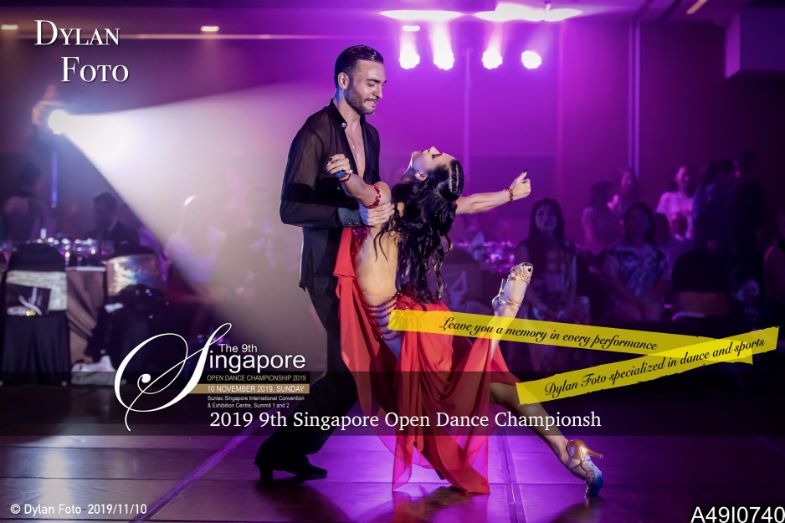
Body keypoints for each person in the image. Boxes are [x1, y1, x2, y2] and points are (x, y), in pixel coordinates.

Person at [329, 146, 603, 497]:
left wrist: (344, 174)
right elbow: (469, 204)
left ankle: (502, 316)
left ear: (422, 175)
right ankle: (567, 452)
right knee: (494, 385)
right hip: (414, 317)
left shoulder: (385, 195)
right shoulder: (415, 206)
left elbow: (363, 191)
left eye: (436, 156)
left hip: (402, 325)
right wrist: (508, 194)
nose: (432, 149)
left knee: (461, 388)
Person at [254, 45, 394, 481]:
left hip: (361, 271)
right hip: (326, 272)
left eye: (382, 84)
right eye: (371, 83)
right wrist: (350, 216)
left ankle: (284, 451)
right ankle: (280, 450)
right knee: (351, 370)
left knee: (351, 372)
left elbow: (370, 200)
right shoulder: (315, 132)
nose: (379, 93)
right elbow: (289, 209)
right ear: (343, 80)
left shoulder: (371, 135)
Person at [603, 203, 668, 322]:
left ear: (649, 223)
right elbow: (612, 279)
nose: (637, 221)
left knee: (652, 315)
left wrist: (649, 298)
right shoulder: (615, 250)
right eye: (633, 218)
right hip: (621, 300)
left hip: (649, 300)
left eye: (642, 217)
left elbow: (664, 280)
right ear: (626, 223)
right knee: (634, 316)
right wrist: (632, 299)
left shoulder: (658, 253)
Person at [2, 163, 53, 244]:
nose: (42, 185)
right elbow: (48, 235)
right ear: (36, 181)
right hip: (31, 250)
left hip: (11, 250)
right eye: (41, 181)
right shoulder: (39, 206)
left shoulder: (9, 204)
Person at [656, 164, 694, 239]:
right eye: (684, 175)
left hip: (691, 242)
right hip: (671, 241)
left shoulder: (694, 199)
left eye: (688, 175)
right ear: (675, 177)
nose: (687, 179)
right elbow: (659, 221)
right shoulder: (667, 197)